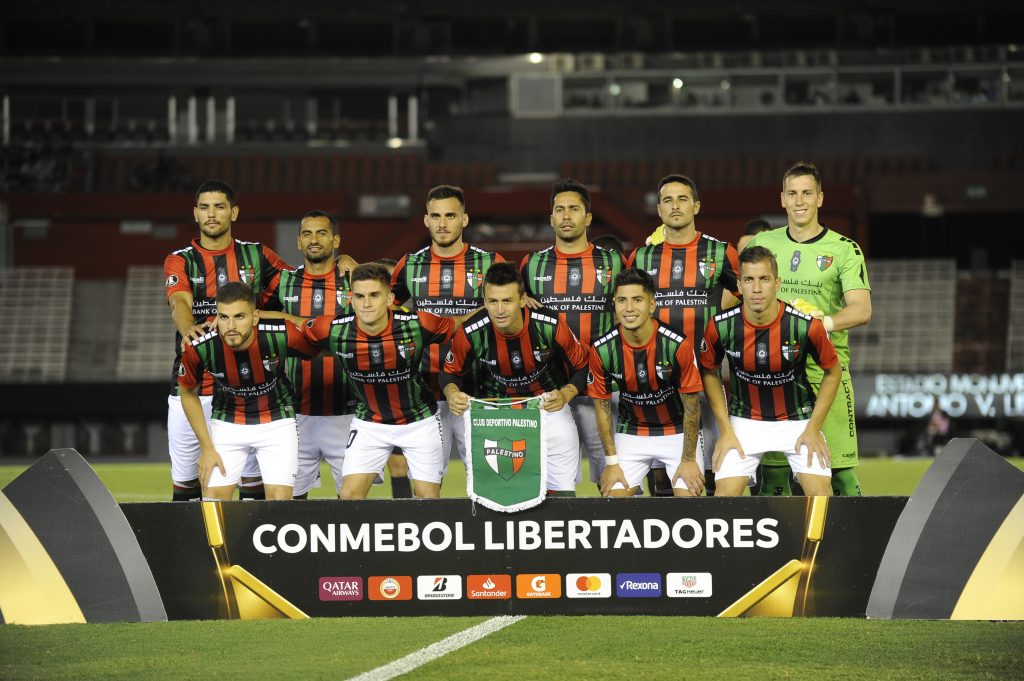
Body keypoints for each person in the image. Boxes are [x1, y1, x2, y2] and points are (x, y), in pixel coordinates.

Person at [748, 161, 872, 496]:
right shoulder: (764, 242)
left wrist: (818, 325)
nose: (799, 200)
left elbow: (862, 310)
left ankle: (859, 547)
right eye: (792, 193)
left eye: (807, 193)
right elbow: (741, 293)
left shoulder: (844, 249)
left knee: (842, 475)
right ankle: (778, 549)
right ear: (782, 200)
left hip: (824, 373)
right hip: (773, 376)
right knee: (773, 478)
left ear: (820, 198)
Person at [164, 179, 289, 502]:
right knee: (187, 483)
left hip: (249, 391)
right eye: (204, 207)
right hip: (194, 389)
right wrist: (189, 326)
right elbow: (179, 302)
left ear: (233, 213)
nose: (211, 214)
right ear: (195, 213)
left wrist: (342, 261)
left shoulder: (257, 255)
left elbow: (300, 283)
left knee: (252, 486)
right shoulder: (181, 260)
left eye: (219, 207)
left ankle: (253, 552)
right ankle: (192, 551)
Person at [303, 263, 463, 500]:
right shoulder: (332, 329)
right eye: (360, 296)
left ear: (389, 299)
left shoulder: (419, 325)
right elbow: (288, 332)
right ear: (351, 299)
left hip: (419, 421)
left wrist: (500, 309)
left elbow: (461, 325)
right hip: (370, 424)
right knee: (348, 497)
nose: (366, 303)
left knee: (428, 500)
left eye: (374, 295)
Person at [627, 174, 740, 495]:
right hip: (659, 381)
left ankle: (715, 536)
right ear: (659, 210)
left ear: (696, 206)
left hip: (707, 376)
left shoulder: (721, 253)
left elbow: (750, 297)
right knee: (663, 473)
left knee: (715, 465)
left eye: (682, 199)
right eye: (668, 200)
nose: (675, 206)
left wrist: (720, 321)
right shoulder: (642, 257)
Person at [699, 246, 841, 497]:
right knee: (722, 501)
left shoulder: (805, 325)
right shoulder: (720, 326)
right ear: (739, 285)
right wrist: (726, 429)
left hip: (798, 419)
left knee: (821, 499)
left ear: (777, 283)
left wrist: (813, 427)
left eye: (764, 279)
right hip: (744, 422)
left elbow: (833, 371)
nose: (756, 288)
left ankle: (812, 539)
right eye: (749, 280)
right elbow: (709, 371)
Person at [441, 262, 590, 497]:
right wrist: (451, 393)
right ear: (485, 301)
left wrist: (566, 394)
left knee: (562, 494)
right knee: (498, 495)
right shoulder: (471, 332)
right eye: (493, 301)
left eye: (507, 301)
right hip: (495, 413)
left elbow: (583, 366)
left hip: (548, 408)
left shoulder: (549, 325)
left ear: (522, 300)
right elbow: (449, 372)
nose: (499, 310)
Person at [520, 178, 624, 490]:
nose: (566, 216)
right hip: (548, 388)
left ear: (588, 217)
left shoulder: (613, 261)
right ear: (551, 217)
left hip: (602, 386)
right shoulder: (532, 263)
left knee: (612, 471)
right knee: (550, 474)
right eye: (560, 209)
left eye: (574, 209)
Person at [391, 185, 504, 466]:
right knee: (427, 482)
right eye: (436, 216)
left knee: (486, 475)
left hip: (479, 387)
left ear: (464, 219)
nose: (442, 224)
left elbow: (511, 309)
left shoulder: (490, 263)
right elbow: (386, 308)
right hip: (424, 390)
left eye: (451, 216)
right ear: (426, 220)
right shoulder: (409, 264)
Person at [177, 282, 320, 500]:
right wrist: (206, 448)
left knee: (280, 502)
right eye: (224, 317)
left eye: (240, 317)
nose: (231, 325)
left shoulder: (282, 335)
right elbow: (187, 392)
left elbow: (318, 345)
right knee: (212, 504)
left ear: (255, 317)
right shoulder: (201, 345)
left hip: (277, 422)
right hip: (227, 423)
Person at [588, 267, 704, 497]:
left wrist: (689, 459)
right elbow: (601, 409)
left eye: (637, 300)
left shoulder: (677, 345)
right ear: (614, 304)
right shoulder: (602, 349)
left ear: (652, 304)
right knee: (612, 500)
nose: (629, 308)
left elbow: (693, 407)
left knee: (689, 502)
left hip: (677, 432)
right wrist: (612, 462)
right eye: (622, 300)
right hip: (632, 431)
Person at [265, 211, 355, 499]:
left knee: (353, 500)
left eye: (321, 233)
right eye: (307, 234)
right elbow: (254, 314)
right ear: (299, 243)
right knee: (292, 499)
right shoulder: (283, 282)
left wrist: (352, 262)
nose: (314, 240)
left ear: (336, 240)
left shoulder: (354, 280)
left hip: (347, 410)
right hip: (295, 412)